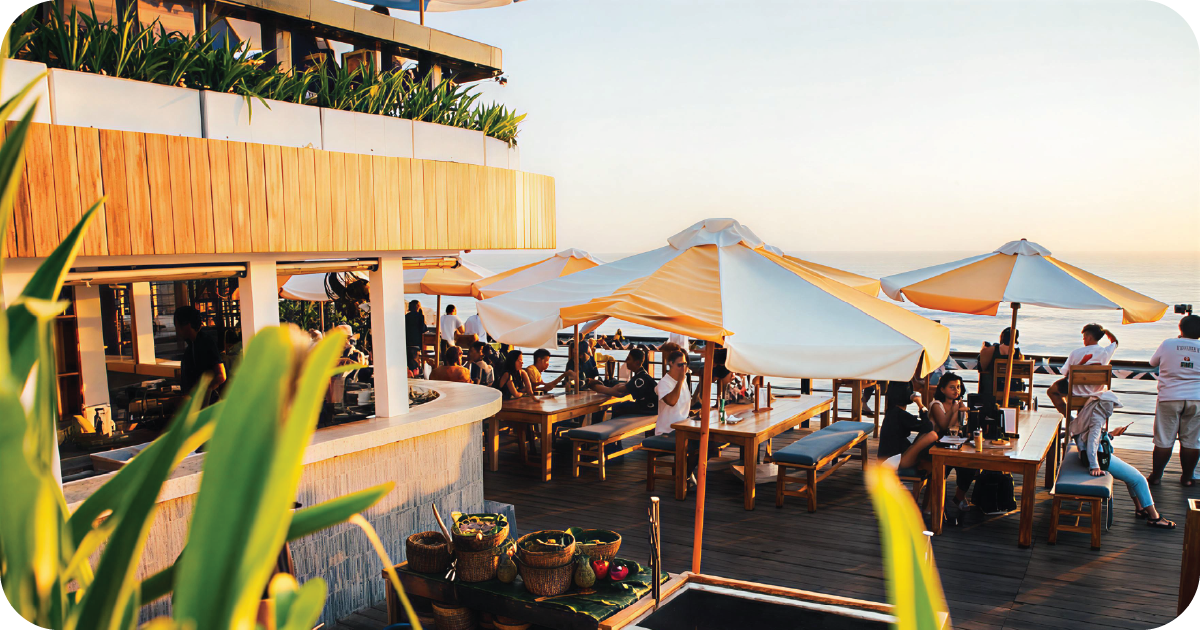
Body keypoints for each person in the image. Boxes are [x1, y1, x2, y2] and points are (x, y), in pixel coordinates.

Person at [1070, 390, 1174, 529]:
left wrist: (1112, 434)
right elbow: (1093, 442)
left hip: (1093, 456)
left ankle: (1140, 509)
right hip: (1101, 459)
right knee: (1139, 479)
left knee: (1131, 478)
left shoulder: (1087, 415)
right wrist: (1094, 466)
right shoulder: (1097, 419)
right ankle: (1154, 517)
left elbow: (1089, 438)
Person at [1148, 314, 1200, 486]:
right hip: (1196, 398)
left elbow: (1152, 362)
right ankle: (1187, 478)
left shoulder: (1168, 344)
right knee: (1192, 440)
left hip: (1169, 396)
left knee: (1163, 439)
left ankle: (1156, 476)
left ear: (1180, 328)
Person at [928, 373, 976, 513]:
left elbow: (961, 427)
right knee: (945, 468)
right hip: (936, 447)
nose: (956, 391)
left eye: (958, 387)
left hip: (953, 446)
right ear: (942, 389)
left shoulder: (958, 405)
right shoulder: (936, 405)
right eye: (952, 387)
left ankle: (959, 496)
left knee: (970, 466)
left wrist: (963, 413)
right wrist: (956, 411)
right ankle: (936, 503)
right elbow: (944, 426)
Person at [1049, 323, 1119, 415]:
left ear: (1089, 337)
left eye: (1084, 337)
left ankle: (1070, 419)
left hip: (1075, 393)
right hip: (1097, 392)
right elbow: (1115, 342)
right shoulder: (1105, 353)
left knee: (1052, 391)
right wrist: (1107, 332)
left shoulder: (1076, 353)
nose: (1083, 339)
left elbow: (1065, 373)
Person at [877, 375, 937, 472]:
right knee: (932, 435)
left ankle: (924, 465)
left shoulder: (892, 412)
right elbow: (928, 427)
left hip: (889, 460)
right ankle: (926, 468)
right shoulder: (900, 415)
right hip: (893, 462)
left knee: (927, 435)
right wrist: (920, 404)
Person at [173, 306, 226, 405]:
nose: (177, 330)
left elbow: (221, 376)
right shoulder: (192, 346)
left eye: (177, 326)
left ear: (187, 325)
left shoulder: (206, 343)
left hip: (207, 406)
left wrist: (201, 394)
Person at [588, 348, 658, 417]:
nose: (626, 361)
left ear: (637, 362)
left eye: (629, 359)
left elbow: (620, 392)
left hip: (649, 408)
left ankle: (613, 427)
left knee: (618, 407)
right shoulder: (642, 375)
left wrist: (595, 386)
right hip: (651, 408)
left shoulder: (639, 379)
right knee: (622, 405)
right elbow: (623, 388)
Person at [977, 327, 1025, 408]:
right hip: (1013, 389)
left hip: (993, 389)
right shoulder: (1019, 355)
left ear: (1002, 337)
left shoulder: (991, 350)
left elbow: (983, 368)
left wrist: (983, 349)